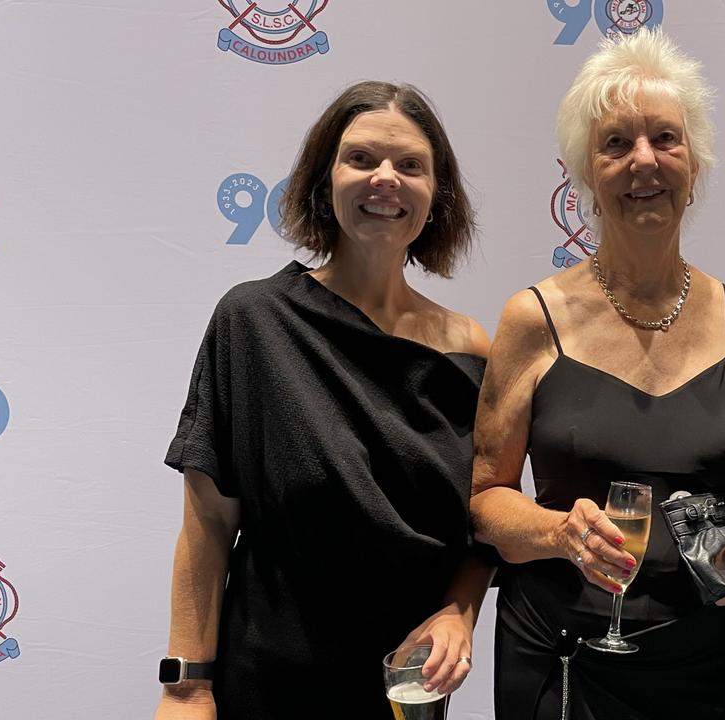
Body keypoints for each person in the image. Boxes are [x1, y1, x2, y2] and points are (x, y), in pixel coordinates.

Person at [462, 29, 725, 720]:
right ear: (583, 175)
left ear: (694, 168)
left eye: (666, 139)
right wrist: (554, 532)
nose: (644, 162)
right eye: (615, 144)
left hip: (710, 660)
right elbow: (485, 499)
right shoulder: (533, 317)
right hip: (566, 666)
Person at [155, 81, 490, 719]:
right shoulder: (252, 320)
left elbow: (482, 521)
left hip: (406, 690)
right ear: (321, 180)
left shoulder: (468, 346)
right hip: (269, 683)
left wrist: (460, 612)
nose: (385, 179)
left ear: (436, 194)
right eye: (360, 159)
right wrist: (187, 687)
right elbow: (207, 523)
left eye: (410, 165)